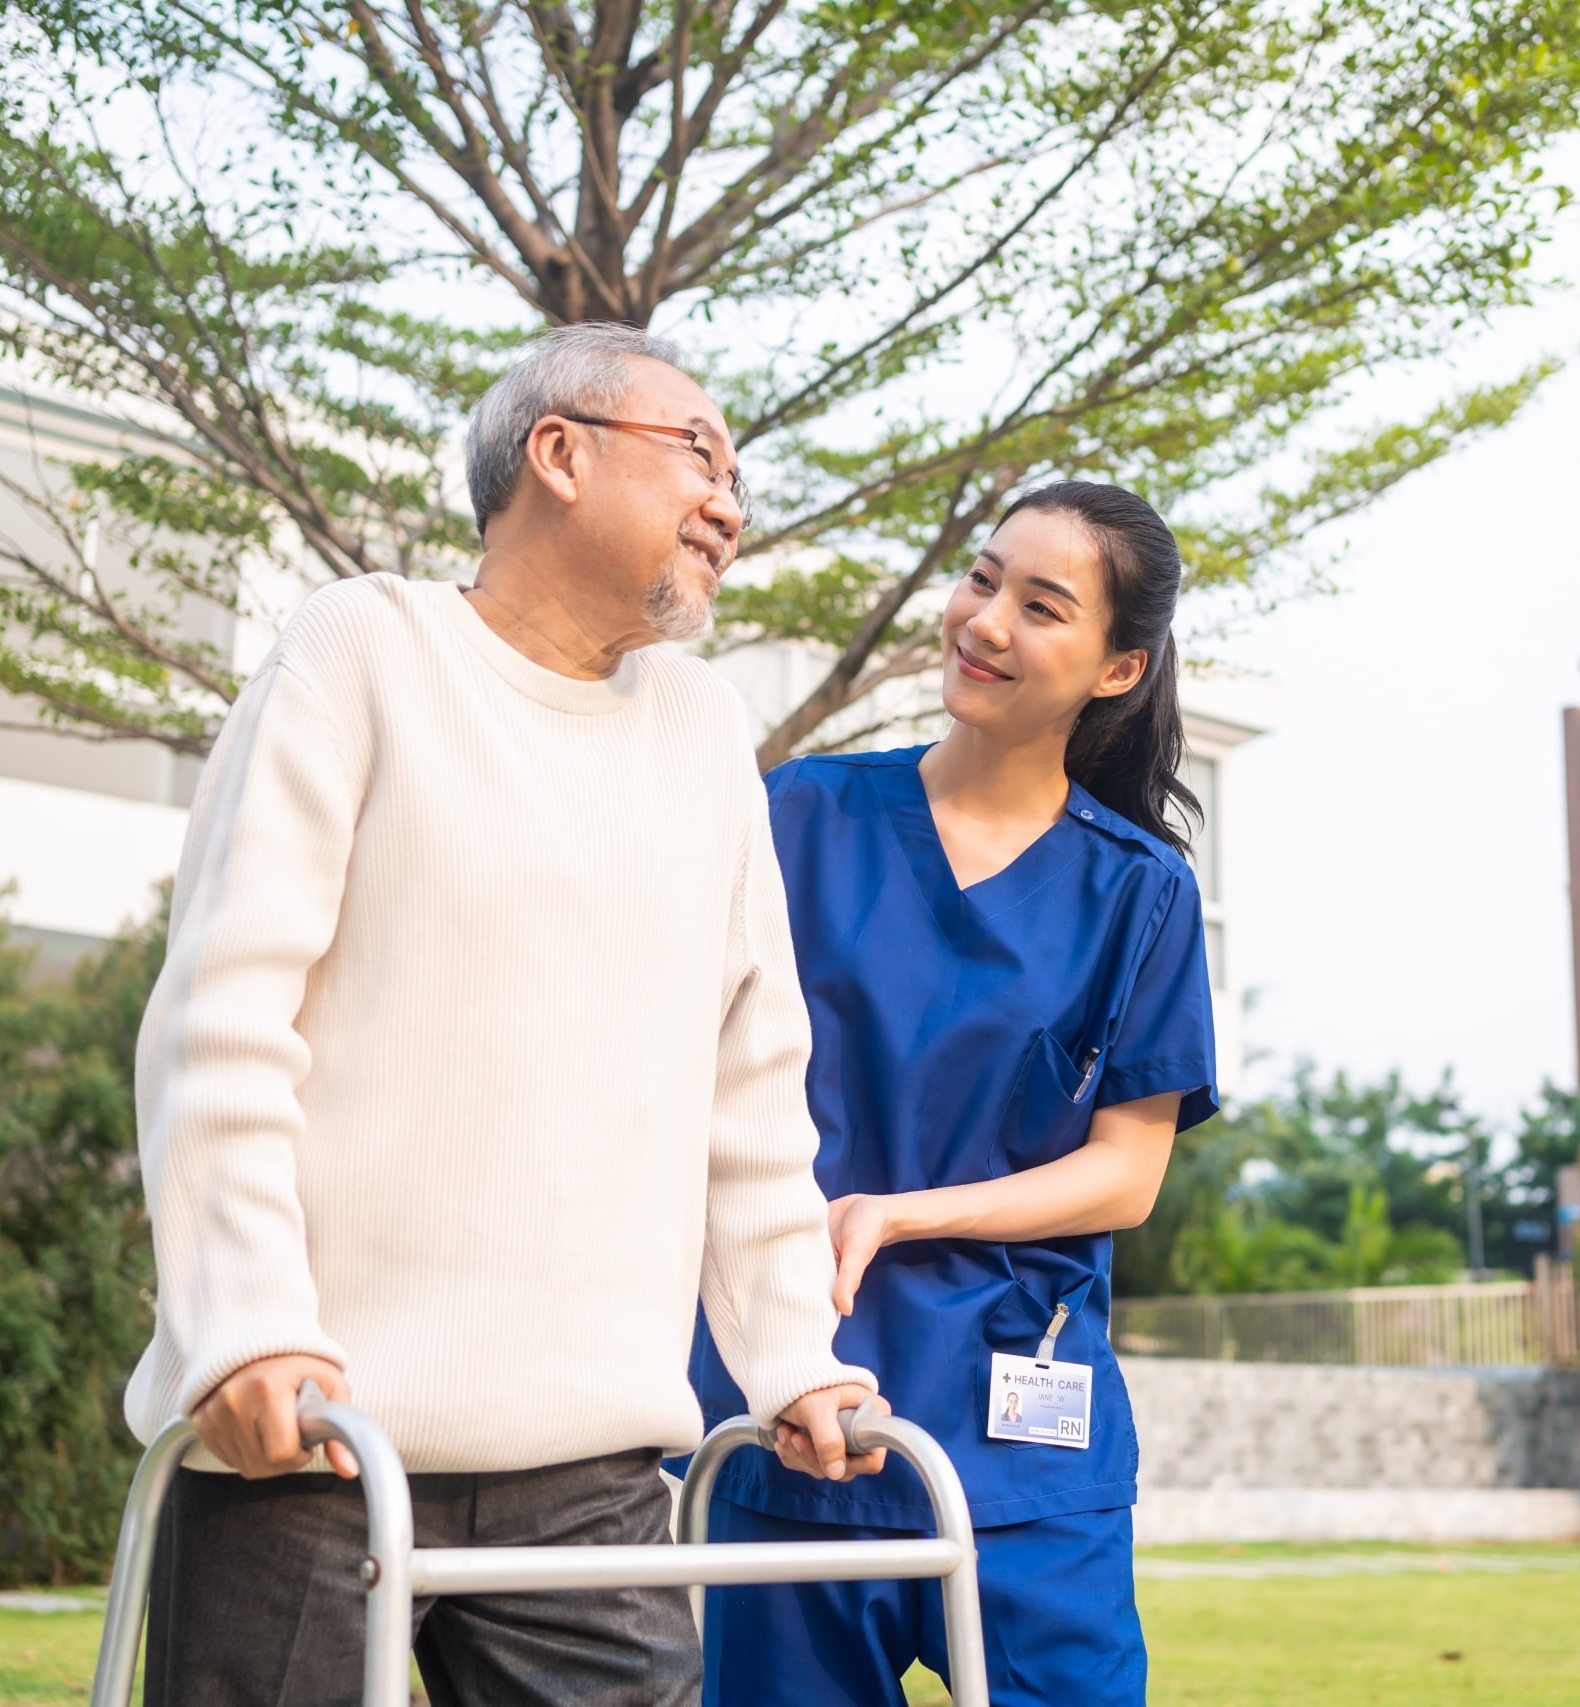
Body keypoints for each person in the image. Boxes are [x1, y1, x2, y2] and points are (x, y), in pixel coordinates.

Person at [125, 323, 883, 1707]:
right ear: (561, 452)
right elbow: (223, 1014)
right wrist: (243, 1323)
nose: (732, 500)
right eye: (698, 454)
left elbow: (753, 1082)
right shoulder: (363, 647)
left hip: (591, 1469)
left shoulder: (705, 731)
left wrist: (793, 1355)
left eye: (738, 472)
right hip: (313, 1435)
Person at [688, 481, 1219, 1707]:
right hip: (796, 1406)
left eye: (1040, 606)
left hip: (1024, 1440)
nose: (984, 622)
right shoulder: (799, 818)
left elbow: (1126, 1175)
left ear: (1116, 667)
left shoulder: (1139, 894)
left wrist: (900, 1212)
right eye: (982, 580)